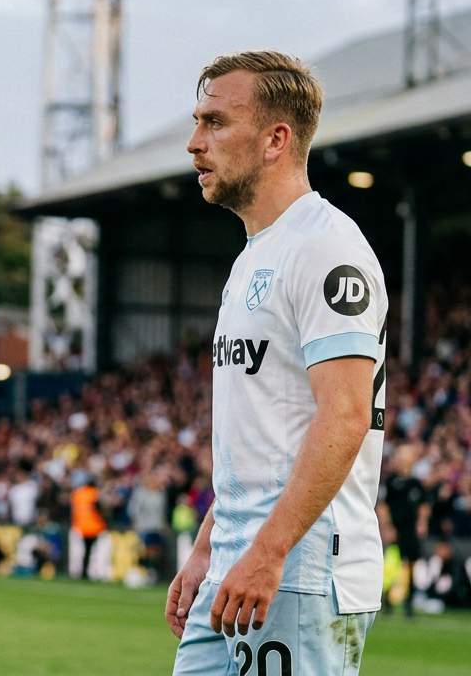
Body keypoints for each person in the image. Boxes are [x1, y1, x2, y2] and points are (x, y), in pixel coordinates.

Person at [165, 51, 388, 675]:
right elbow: (261, 438)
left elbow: (344, 415)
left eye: (215, 122)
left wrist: (269, 551)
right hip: (238, 561)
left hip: (299, 570)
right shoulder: (254, 256)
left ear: (275, 140)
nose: (194, 142)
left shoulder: (325, 246)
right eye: (197, 122)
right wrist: (208, 545)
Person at [382, 445, 430, 615]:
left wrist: (422, 522)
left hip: (411, 530)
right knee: (392, 564)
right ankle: (387, 599)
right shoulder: (391, 482)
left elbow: (423, 505)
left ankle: (409, 600)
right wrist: (387, 526)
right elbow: (383, 505)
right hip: (396, 529)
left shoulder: (416, 483)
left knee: (411, 564)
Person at [71, 472, 107, 579]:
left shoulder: (78, 493)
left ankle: (83, 571)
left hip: (80, 526)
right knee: (93, 551)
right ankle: (88, 572)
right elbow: (100, 508)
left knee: (83, 551)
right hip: (94, 526)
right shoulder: (94, 493)